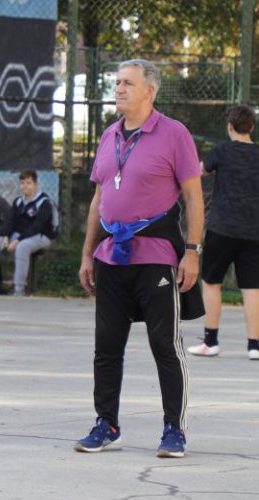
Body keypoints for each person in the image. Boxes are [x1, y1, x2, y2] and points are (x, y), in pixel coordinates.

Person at [75, 59, 204, 458]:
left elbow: (193, 197)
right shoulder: (109, 135)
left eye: (127, 83)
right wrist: (87, 254)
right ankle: (106, 424)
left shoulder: (174, 133)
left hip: (157, 256)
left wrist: (192, 252)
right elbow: (99, 198)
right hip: (111, 257)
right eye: (117, 82)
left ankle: (174, 429)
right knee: (106, 347)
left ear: (149, 90)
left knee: (165, 345)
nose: (119, 88)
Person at [187, 105, 259, 360]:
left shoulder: (222, 150)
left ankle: (211, 342)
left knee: (211, 282)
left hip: (221, 229)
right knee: (252, 287)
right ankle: (255, 346)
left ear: (230, 127)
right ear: (252, 127)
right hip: (253, 232)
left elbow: (198, 171)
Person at [4, 169, 55, 296]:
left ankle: (19, 289)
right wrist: (6, 236)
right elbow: (10, 222)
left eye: (28, 183)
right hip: (22, 235)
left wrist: (17, 240)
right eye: (22, 183)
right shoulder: (18, 201)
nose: (25, 186)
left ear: (36, 184)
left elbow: (37, 227)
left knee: (22, 247)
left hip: (42, 236)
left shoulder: (44, 202)